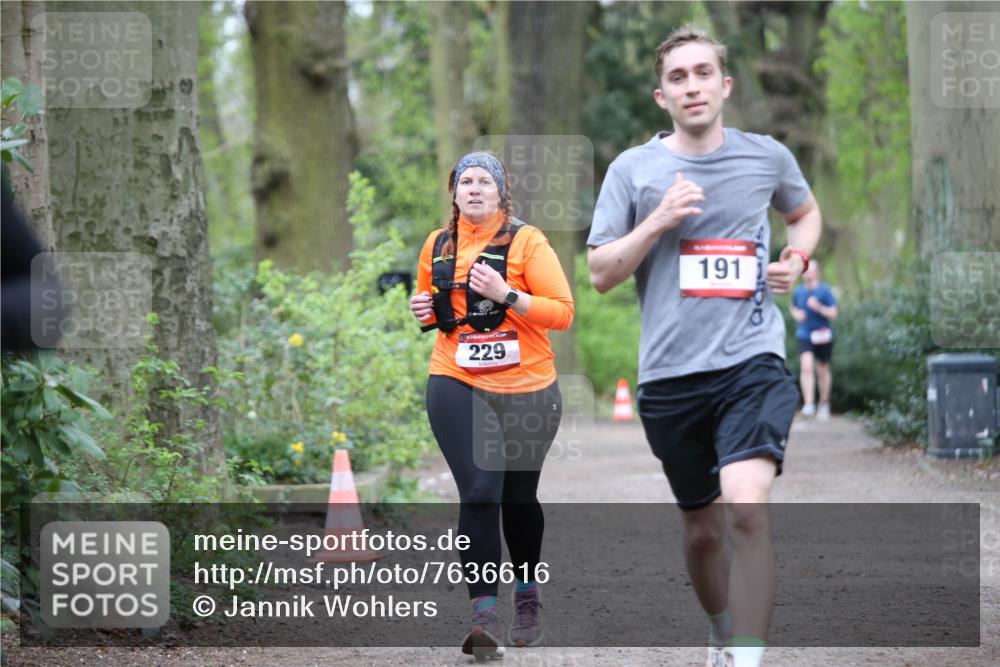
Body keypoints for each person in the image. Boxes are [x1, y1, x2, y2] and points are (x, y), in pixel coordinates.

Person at [586, 26, 821, 667]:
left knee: (747, 506)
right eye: (677, 78)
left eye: (702, 73)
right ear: (661, 95)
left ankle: (746, 655)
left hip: (752, 358)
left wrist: (796, 257)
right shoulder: (633, 170)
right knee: (702, 527)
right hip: (670, 376)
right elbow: (601, 274)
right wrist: (658, 219)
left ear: (725, 84)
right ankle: (721, 629)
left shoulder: (766, 157)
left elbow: (803, 212)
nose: (692, 86)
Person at [409, 151, 574, 658]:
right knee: (480, 491)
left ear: (502, 192)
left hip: (527, 385)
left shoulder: (528, 242)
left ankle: (526, 595)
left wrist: (507, 294)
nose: (474, 188)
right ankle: (483, 617)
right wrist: (423, 310)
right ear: (454, 192)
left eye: (485, 181)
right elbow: (434, 311)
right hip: (456, 379)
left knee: (517, 498)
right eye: (465, 181)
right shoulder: (437, 245)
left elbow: (562, 313)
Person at [790, 261, 838, 421]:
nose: (807, 273)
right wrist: (797, 314)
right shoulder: (798, 291)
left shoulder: (825, 291)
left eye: (810, 271)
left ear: (816, 273)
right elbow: (794, 308)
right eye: (805, 270)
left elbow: (833, 314)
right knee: (806, 365)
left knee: (822, 369)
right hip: (804, 334)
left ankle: (824, 403)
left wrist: (818, 307)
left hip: (822, 335)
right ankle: (809, 404)